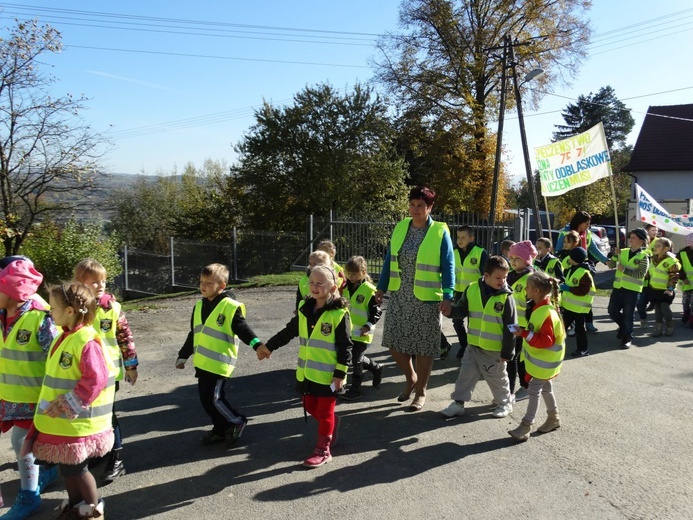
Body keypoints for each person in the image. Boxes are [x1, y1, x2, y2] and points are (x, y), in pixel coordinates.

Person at [23, 282, 115, 519]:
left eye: (53, 307)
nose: (49, 312)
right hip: (63, 424)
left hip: (77, 424)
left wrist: (69, 402)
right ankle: (76, 505)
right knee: (68, 469)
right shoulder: (64, 336)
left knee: (77, 468)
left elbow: (96, 377)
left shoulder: (85, 340)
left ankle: (93, 509)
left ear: (70, 311)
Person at [257, 265, 352, 468]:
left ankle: (323, 449)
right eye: (312, 283)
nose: (315, 286)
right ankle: (331, 424)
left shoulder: (339, 314)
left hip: (329, 375)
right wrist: (268, 347)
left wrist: (340, 374)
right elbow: (289, 331)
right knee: (310, 407)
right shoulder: (304, 309)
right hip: (307, 373)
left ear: (333, 286)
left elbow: (346, 347)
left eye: (320, 283)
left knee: (325, 414)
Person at [375, 186, 455, 412]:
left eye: (421, 205)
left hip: (427, 299)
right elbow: (389, 259)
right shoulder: (401, 227)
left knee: (423, 348)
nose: (416, 209)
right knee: (394, 342)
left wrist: (448, 296)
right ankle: (411, 378)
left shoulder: (440, 232)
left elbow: (448, 266)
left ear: (430, 207)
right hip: (400, 295)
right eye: (412, 204)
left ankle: (421, 392)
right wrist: (381, 287)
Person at [176, 264, 264, 446]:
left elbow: (243, 329)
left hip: (219, 363)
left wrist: (257, 345)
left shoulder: (230, 307)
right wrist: (183, 355)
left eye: (208, 283)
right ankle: (220, 429)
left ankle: (237, 421)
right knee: (205, 400)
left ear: (222, 286)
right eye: (201, 281)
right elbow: (193, 333)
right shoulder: (199, 305)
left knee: (214, 399)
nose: (203, 286)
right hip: (202, 363)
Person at [0, 259, 58, 520]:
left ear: (14, 289)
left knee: (22, 444)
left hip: (31, 395)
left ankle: (29, 496)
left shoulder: (41, 317)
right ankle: (44, 474)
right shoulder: (3, 312)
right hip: (5, 392)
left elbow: (59, 358)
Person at [73, 258, 138, 483]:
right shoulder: (75, 308)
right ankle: (101, 452)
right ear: (79, 283)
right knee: (90, 415)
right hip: (82, 372)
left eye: (103, 281)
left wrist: (131, 366)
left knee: (107, 415)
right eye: (94, 282)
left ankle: (117, 458)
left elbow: (125, 338)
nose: (100, 286)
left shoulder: (112, 307)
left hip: (107, 374)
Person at [440, 256, 517, 419]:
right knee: (465, 376)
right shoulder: (472, 289)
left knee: (497, 379)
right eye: (498, 277)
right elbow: (462, 310)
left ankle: (505, 403)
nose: (502, 281)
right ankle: (458, 404)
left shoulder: (506, 297)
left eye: (505, 277)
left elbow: (512, 328)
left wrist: (508, 352)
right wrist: (451, 312)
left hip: (494, 350)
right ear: (486, 276)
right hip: (473, 346)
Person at [508, 271, 565, 442]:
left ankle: (526, 426)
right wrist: (524, 333)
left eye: (527, 287)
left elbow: (545, 341)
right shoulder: (541, 308)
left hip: (545, 362)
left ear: (535, 290)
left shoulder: (545, 312)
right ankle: (553, 418)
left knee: (534, 390)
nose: (525, 289)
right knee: (546, 388)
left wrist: (524, 333)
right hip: (545, 362)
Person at [556, 211, 607, 333]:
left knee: (586, 295)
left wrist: (605, 260)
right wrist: (566, 262)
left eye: (589, 223)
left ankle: (588, 322)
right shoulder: (565, 232)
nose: (588, 226)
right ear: (579, 222)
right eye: (587, 223)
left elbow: (593, 249)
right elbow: (558, 251)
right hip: (569, 268)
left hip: (583, 268)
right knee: (571, 297)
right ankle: (573, 325)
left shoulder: (587, 234)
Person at [340, 256, 383, 401]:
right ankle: (376, 368)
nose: (351, 277)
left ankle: (356, 388)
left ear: (363, 272)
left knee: (356, 360)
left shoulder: (370, 290)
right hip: (348, 332)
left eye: (354, 274)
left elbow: (377, 311)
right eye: (349, 273)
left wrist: (368, 326)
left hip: (363, 332)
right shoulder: (344, 287)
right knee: (354, 357)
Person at [607, 229, 650, 349]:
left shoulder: (644, 256)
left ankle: (627, 337)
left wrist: (624, 270)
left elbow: (641, 274)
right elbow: (611, 265)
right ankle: (623, 327)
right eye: (630, 237)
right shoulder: (623, 252)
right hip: (618, 287)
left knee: (628, 315)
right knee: (612, 311)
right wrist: (614, 256)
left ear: (641, 241)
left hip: (632, 290)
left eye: (634, 237)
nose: (630, 239)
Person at [451, 226, 488, 360]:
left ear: (471, 238)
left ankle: (473, 348)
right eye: (458, 237)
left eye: (463, 237)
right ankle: (463, 345)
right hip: (459, 292)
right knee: (456, 321)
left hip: (475, 293)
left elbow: (486, 274)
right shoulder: (453, 251)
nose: (459, 240)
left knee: (473, 322)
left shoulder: (480, 252)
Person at [507, 241, 537, 401]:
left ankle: (520, 388)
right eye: (511, 258)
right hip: (510, 324)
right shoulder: (511, 275)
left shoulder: (530, 278)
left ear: (526, 260)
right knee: (511, 357)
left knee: (515, 358)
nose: (512, 261)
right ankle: (513, 389)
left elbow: (534, 304)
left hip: (522, 326)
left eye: (516, 258)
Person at [560, 247, 595, 357]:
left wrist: (568, 289)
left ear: (573, 258)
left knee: (580, 329)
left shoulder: (584, 272)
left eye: (570, 256)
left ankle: (583, 349)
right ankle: (556, 346)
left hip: (580, 308)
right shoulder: (572, 269)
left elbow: (584, 290)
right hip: (569, 306)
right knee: (562, 327)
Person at [648, 238, 681, 337]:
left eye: (658, 246)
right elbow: (650, 273)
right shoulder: (653, 258)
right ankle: (658, 329)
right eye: (655, 245)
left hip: (666, 290)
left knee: (664, 307)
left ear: (666, 248)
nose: (655, 247)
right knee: (657, 309)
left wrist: (670, 289)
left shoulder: (671, 260)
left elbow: (674, 276)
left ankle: (670, 326)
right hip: (654, 288)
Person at [636, 224, 660, 327]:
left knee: (653, 298)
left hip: (653, 276)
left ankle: (653, 307)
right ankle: (643, 317)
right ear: (647, 231)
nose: (655, 232)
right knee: (640, 303)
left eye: (656, 230)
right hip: (642, 278)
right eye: (652, 230)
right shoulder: (639, 243)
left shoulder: (659, 242)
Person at [678, 233, 693, 328]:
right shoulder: (682, 253)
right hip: (686, 282)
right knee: (686, 301)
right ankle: (686, 313)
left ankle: (692, 318)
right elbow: (679, 267)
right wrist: (683, 278)